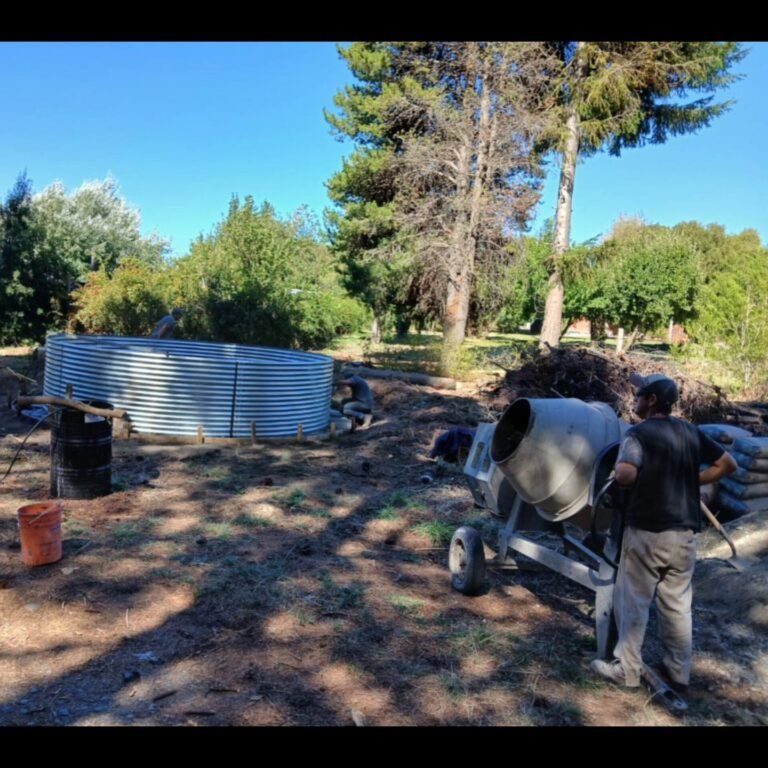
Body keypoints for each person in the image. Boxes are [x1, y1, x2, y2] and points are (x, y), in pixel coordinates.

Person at [590, 373, 737, 695]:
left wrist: (620, 473)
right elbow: (727, 464)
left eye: (639, 395)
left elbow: (626, 474)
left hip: (647, 530)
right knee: (677, 605)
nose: (635, 400)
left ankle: (626, 670)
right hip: (684, 533)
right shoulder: (690, 431)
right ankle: (678, 673)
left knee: (634, 602)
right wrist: (692, 480)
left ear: (652, 400)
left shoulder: (638, 433)